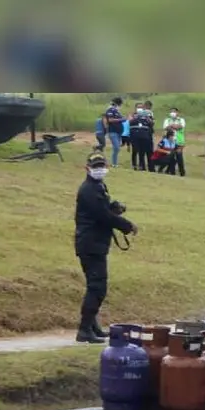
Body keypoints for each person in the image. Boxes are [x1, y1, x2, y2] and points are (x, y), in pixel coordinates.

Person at [73, 152, 138, 343]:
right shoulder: (89, 190)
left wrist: (114, 206)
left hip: (94, 243)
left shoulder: (97, 186)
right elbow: (103, 216)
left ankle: (92, 327)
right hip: (90, 244)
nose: (99, 169)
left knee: (94, 286)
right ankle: (84, 329)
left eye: (101, 165)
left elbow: (104, 210)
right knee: (97, 288)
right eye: (96, 166)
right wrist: (127, 225)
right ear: (87, 168)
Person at [129, 101, 155, 172]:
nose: (140, 108)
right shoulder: (133, 114)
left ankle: (146, 167)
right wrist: (136, 117)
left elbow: (152, 123)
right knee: (136, 150)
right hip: (134, 135)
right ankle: (136, 165)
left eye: (141, 107)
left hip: (145, 135)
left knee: (145, 151)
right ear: (135, 108)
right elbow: (130, 121)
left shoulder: (147, 114)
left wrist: (147, 117)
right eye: (138, 107)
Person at [162, 107, 187, 176]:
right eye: (171, 112)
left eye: (174, 111)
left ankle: (182, 172)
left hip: (179, 141)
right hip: (170, 142)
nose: (172, 113)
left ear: (177, 113)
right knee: (171, 156)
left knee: (179, 157)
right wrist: (174, 126)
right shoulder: (167, 120)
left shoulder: (181, 120)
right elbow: (166, 127)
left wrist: (171, 126)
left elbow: (180, 127)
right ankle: (171, 171)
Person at [103, 97, 125, 167]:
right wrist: (122, 119)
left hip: (118, 132)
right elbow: (110, 120)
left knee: (117, 148)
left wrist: (123, 119)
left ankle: (115, 163)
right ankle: (113, 163)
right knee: (116, 147)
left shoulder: (117, 111)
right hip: (113, 131)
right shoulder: (110, 110)